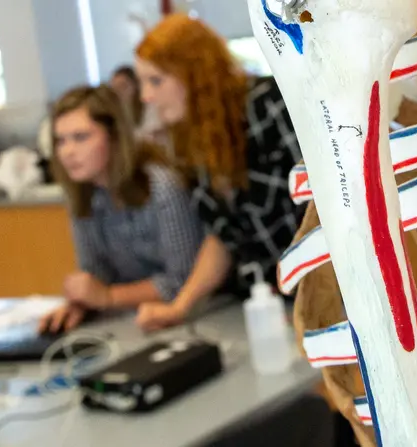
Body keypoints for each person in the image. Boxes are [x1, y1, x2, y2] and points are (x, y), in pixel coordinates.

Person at [129, 15, 303, 331]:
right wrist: (179, 307)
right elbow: (222, 237)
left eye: (156, 81)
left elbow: (322, 210)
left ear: (196, 75)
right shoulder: (191, 141)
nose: (146, 96)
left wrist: (318, 305)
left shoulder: (267, 106)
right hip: (269, 303)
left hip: (321, 296)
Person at [38, 86, 204, 334]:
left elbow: (182, 280)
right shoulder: (83, 194)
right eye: (60, 141)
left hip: (193, 318)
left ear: (114, 137)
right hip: (133, 322)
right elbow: (96, 272)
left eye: (81, 137)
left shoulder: (162, 186)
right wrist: (80, 303)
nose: (68, 152)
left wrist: (107, 296)